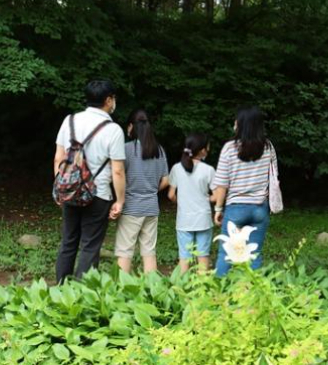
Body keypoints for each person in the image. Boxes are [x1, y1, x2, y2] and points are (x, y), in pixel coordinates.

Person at [54, 80, 126, 283]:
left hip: (69, 192)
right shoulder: (113, 130)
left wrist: (61, 188)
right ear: (108, 100)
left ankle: (60, 290)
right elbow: (118, 171)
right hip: (98, 194)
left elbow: (59, 158)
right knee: (90, 245)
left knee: (68, 242)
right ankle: (79, 295)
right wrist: (120, 200)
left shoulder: (69, 121)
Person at [212, 107, 278, 276]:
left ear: (242, 124)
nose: (234, 124)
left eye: (236, 121)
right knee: (254, 256)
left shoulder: (229, 148)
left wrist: (218, 209)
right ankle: (253, 296)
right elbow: (274, 177)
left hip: (235, 209)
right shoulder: (268, 147)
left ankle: (218, 294)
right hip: (259, 209)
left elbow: (221, 183)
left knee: (225, 255)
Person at [114, 110, 169, 274]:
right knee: (149, 252)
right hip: (151, 208)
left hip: (131, 208)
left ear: (131, 126)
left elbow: (118, 174)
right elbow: (166, 180)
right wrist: (151, 190)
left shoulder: (126, 149)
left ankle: (122, 291)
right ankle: (152, 290)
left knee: (124, 251)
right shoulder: (159, 150)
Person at [168, 133, 216, 274]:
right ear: (202, 150)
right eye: (207, 147)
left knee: (184, 257)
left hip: (184, 220)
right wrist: (206, 199)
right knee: (203, 256)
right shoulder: (208, 170)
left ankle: (182, 289)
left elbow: (171, 195)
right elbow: (217, 196)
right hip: (203, 219)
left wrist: (181, 202)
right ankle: (202, 290)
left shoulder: (177, 168)